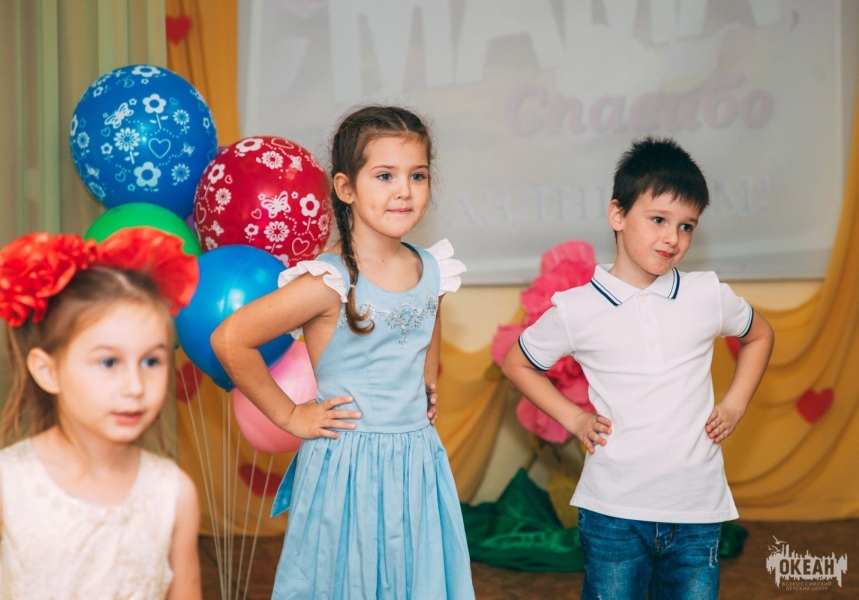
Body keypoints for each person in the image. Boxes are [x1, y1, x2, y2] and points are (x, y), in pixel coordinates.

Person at [211, 105, 476, 599]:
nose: (404, 190)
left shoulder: (432, 268)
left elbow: (427, 325)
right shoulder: (328, 281)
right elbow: (230, 339)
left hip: (416, 462)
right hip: (349, 469)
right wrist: (290, 415)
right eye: (385, 175)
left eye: (417, 175)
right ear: (346, 188)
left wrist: (425, 383)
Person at [502, 137, 774, 599]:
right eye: (658, 220)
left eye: (686, 226)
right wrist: (575, 418)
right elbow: (517, 363)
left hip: (697, 511)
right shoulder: (577, 308)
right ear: (617, 214)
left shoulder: (706, 294)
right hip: (613, 512)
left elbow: (759, 335)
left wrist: (735, 404)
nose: (673, 238)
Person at [0, 228, 203, 599]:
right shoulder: (2, 485)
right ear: (48, 371)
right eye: (109, 362)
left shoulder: (174, 494)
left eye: (151, 361)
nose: (135, 386)